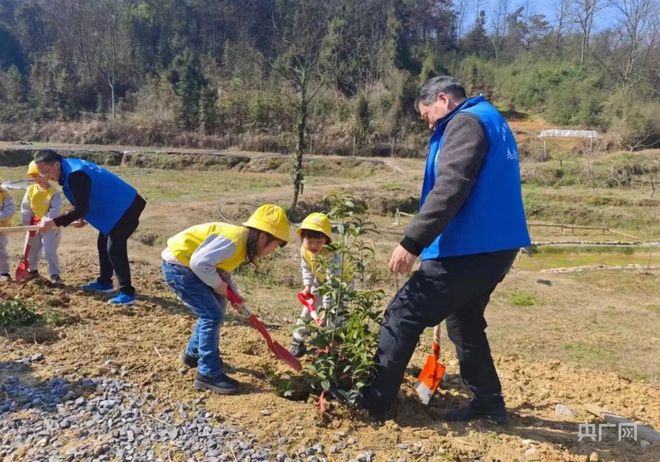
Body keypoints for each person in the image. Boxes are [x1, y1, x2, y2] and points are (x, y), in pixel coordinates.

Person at [359, 76, 531, 423]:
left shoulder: (465, 122)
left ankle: (372, 404)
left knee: (403, 314)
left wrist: (412, 242)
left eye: (427, 116)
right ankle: (488, 403)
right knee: (465, 323)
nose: (429, 124)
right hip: (495, 247)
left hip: (470, 248)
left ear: (442, 99)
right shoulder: (491, 119)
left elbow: (451, 186)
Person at [161, 204, 290, 394]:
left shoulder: (243, 244)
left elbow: (222, 270)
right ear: (263, 236)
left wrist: (234, 294)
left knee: (216, 309)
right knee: (211, 315)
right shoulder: (235, 240)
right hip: (180, 267)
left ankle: (193, 354)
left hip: (191, 267)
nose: (274, 250)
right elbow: (199, 263)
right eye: (276, 245)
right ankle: (208, 373)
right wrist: (218, 285)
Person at [35, 150, 146, 305]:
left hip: (126, 206)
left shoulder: (75, 174)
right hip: (116, 206)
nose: (45, 177)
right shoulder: (70, 167)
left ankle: (127, 292)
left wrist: (53, 222)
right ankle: (105, 282)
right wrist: (81, 217)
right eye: (41, 173)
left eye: (46, 171)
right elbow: (83, 200)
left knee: (114, 248)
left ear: (56, 164)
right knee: (103, 242)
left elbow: (80, 207)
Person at [289, 212, 353, 358]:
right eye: (309, 241)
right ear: (302, 238)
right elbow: (307, 269)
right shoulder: (304, 251)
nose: (314, 246)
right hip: (320, 280)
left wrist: (326, 310)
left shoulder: (332, 255)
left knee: (336, 315)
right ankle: (298, 341)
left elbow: (333, 285)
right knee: (307, 311)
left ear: (327, 239)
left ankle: (334, 345)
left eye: (319, 242)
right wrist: (307, 286)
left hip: (341, 285)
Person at [21, 161, 64, 285]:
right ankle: (32, 270)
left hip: (51, 226)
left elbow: (55, 210)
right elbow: (26, 208)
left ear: (48, 174)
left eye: (40, 175)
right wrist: (28, 224)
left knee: (49, 250)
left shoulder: (54, 192)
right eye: (34, 176)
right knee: (31, 250)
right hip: (34, 225)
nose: (38, 179)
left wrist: (45, 220)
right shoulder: (30, 190)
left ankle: (54, 274)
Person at [0, 183, 16, 282]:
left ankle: (4, 273)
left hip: (2, 228)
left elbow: (10, 211)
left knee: (0, 251)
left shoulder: (5, 194)